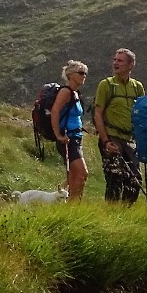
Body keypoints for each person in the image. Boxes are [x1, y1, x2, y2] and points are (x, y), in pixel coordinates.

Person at [93, 48, 145, 205]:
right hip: (112, 137)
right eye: (115, 60)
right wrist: (105, 141)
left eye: (120, 60)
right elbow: (98, 114)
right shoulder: (106, 85)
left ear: (131, 65)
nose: (115, 63)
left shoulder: (137, 87)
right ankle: (111, 217)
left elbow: (141, 114)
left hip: (130, 139)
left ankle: (126, 215)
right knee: (114, 179)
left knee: (135, 181)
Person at [50, 60, 89, 201]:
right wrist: (58, 135)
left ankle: (67, 204)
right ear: (71, 75)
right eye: (81, 73)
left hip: (75, 138)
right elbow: (55, 111)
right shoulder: (65, 92)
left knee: (73, 176)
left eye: (85, 73)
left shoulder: (75, 93)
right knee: (81, 174)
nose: (84, 76)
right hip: (68, 139)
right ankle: (73, 205)